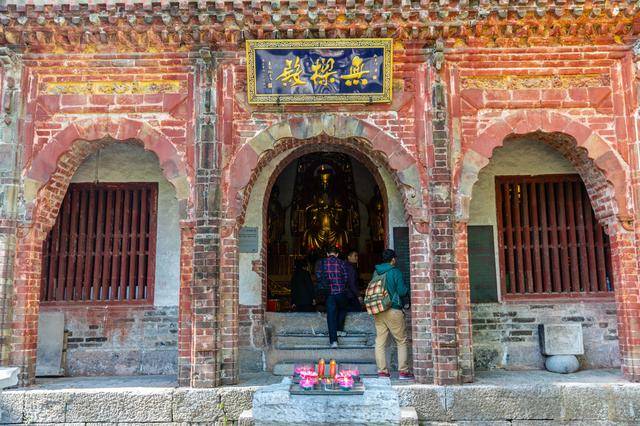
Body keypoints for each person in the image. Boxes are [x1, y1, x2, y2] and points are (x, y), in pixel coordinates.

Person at [372, 249, 414, 380]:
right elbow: (401, 291)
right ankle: (403, 372)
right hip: (393, 309)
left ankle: (382, 372)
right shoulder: (395, 271)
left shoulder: (376, 271)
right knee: (401, 341)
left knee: (380, 341)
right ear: (393, 259)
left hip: (379, 310)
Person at [316, 246, 349, 348]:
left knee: (331, 316)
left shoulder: (321, 263)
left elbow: (318, 276)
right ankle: (339, 329)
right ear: (337, 254)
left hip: (328, 293)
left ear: (327, 254)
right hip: (340, 292)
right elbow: (346, 277)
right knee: (344, 308)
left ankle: (333, 342)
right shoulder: (342, 262)